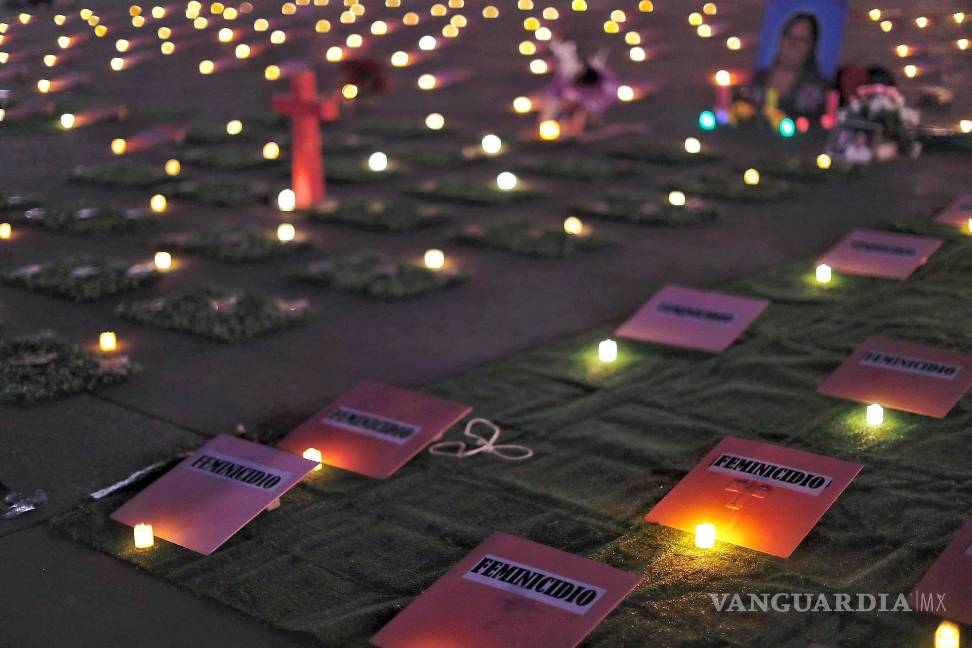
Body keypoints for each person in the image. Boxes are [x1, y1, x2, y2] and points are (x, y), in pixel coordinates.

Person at [736, 13, 830, 119]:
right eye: (789, 36)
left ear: (811, 46)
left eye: (801, 40)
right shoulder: (758, 79)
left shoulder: (816, 90)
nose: (792, 44)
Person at [539, 41, 619, 137]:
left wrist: (583, 105)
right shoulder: (565, 74)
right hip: (566, 113)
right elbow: (551, 92)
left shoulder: (602, 77)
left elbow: (609, 97)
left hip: (595, 116)